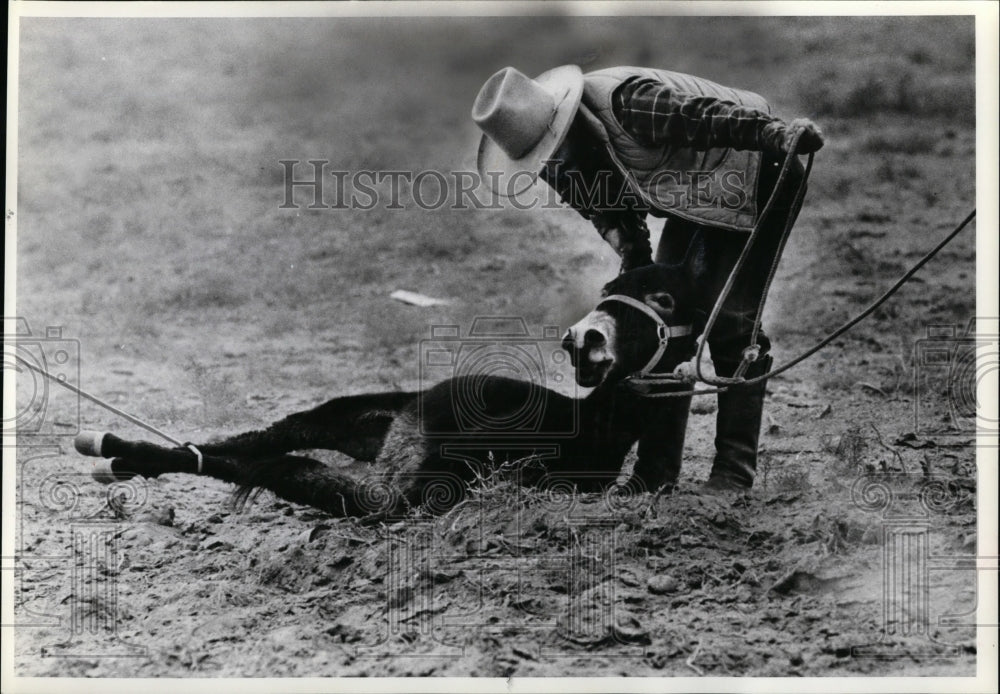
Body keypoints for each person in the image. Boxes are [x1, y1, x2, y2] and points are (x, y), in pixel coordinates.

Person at [471, 65, 823, 493]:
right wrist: (637, 286)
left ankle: (733, 472)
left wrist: (776, 136)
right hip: (693, 195)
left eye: (555, 149)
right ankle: (656, 473)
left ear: (569, 122)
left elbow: (705, 117)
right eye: (544, 159)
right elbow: (618, 223)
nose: (553, 163)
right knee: (664, 322)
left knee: (731, 321)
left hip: (757, 167)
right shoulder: (559, 160)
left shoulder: (629, 103)